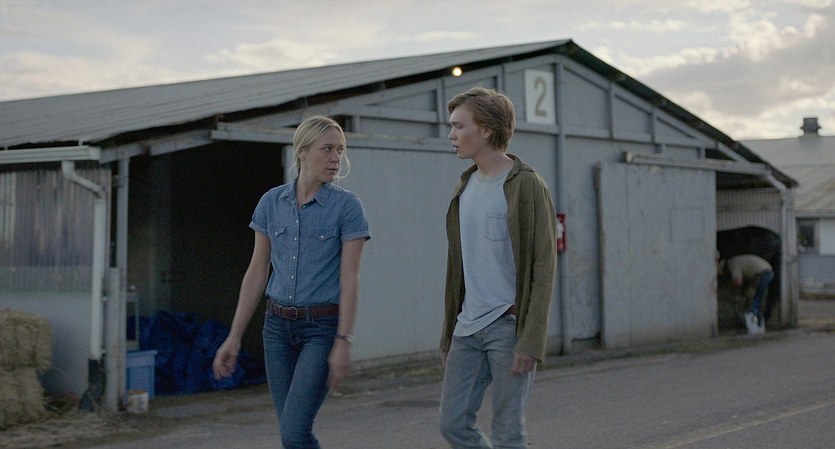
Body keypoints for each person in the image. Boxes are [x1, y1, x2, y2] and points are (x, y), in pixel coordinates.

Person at [212, 115, 370, 449]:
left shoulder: (347, 207)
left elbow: (350, 277)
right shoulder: (271, 203)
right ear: (302, 151)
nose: (336, 158)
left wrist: (343, 340)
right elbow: (257, 271)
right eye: (327, 149)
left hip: (321, 329)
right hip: (276, 329)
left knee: (295, 433)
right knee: (290, 434)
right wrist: (234, 336)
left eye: (340, 150)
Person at [439, 87, 558, 449]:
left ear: (487, 130)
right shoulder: (464, 186)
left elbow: (543, 266)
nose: (451, 134)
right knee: (453, 424)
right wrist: (448, 333)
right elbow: (457, 268)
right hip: (467, 328)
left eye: (459, 126)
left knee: (508, 432)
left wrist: (531, 339)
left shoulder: (526, 184)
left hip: (508, 327)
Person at [719, 254, 773, 335]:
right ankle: (759, 325)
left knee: (754, 301)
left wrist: (730, 286)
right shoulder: (737, 261)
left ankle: (751, 325)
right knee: (757, 299)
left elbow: (738, 281)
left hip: (762, 274)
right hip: (767, 271)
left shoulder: (732, 265)